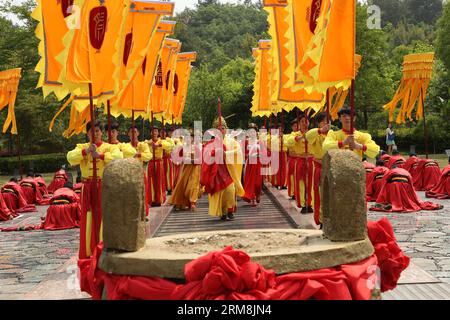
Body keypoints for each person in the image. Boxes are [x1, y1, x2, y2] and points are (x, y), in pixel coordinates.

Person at [66, 120, 122, 262]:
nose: (95, 134)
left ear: (101, 132)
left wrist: (101, 156)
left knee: (104, 215)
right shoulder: (82, 147)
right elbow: (70, 157)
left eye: (97, 131)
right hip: (87, 186)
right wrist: (86, 151)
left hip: (103, 185)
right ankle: (88, 250)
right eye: (92, 131)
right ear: (87, 133)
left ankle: (105, 246)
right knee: (88, 216)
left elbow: (118, 157)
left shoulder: (109, 147)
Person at [200, 116, 245, 221]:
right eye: (218, 129)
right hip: (216, 172)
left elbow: (238, 152)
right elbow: (206, 155)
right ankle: (222, 212)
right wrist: (214, 153)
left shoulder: (231, 141)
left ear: (226, 129)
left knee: (230, 191)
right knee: (220, 193)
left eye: (223, 128)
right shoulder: (211, 143)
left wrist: (226, 153)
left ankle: (230, 210)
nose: (221, 131)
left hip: (228, 170)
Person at [370, 167, 443, 213]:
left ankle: (391, 203)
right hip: (406, 185)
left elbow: (385, 181)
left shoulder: (390, 171)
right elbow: (410, 182)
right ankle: (401, 204)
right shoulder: (405, 171)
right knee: (409, 200)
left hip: (394, 184)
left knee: (388, 186)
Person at [285, 113, 314, 213]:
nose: (304, 124)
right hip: (300, 160)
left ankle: (310, 204)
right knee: (300, 182)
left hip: (311, 160)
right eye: (302, 122)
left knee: (310, 183)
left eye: (306, 121)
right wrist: (300, 137)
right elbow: (288, 142)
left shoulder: (312, 133)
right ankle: (303, 204)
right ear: (299, 123)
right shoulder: (295, 134)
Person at [306, 112, 330, 226]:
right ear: (319, 123)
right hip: (320, 167)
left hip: (331, 168)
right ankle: (321, 220)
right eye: (323, 121)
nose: (326, 123)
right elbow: (308, 136)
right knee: (320, 195)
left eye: (328, 121)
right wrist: (320, 130)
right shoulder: (316, 134)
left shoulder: (332, 134)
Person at [169, 130, 203, 211]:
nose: (189, 139)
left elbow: (200, 159)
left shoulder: (197, 147)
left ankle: (192, 202)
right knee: (183, 185)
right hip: (185, 169)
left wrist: (193, 160)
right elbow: (177, 158)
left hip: (195, 168)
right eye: (187, 137)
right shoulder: (182, 148)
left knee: (193, 185)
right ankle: (181, 202)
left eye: (190, 137)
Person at [124, 126, 152, 215]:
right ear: (128, 134)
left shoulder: (143, 145)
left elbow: (148, 155)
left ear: (138, 133)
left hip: (140, 172)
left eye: (135, 132)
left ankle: (143, 213)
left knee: (142, 193)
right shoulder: (126, 146)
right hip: (129, 173)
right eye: (131, 132)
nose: (133, 134)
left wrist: (138, 154)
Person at [146, 126, 174, 206]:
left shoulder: (162, 141)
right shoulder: (148, 142)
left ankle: (159, 199)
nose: (154, 133)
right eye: (152, 131)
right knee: (151, 181)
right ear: (150, 133)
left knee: (159, 181)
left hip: (159, 162)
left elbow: (170, 146)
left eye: (155, 131)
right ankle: (152, 199)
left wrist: (158, 145)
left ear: (158, 133)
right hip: (151, 162)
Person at [242, 124, 265, 206]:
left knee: (258, 182)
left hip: (258, 162)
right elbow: (243, 152)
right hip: (250, 163)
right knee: (250, 181)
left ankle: (258, 193)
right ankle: (252, 198)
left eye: (253, 131)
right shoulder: (246, 141)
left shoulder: (260, 141)